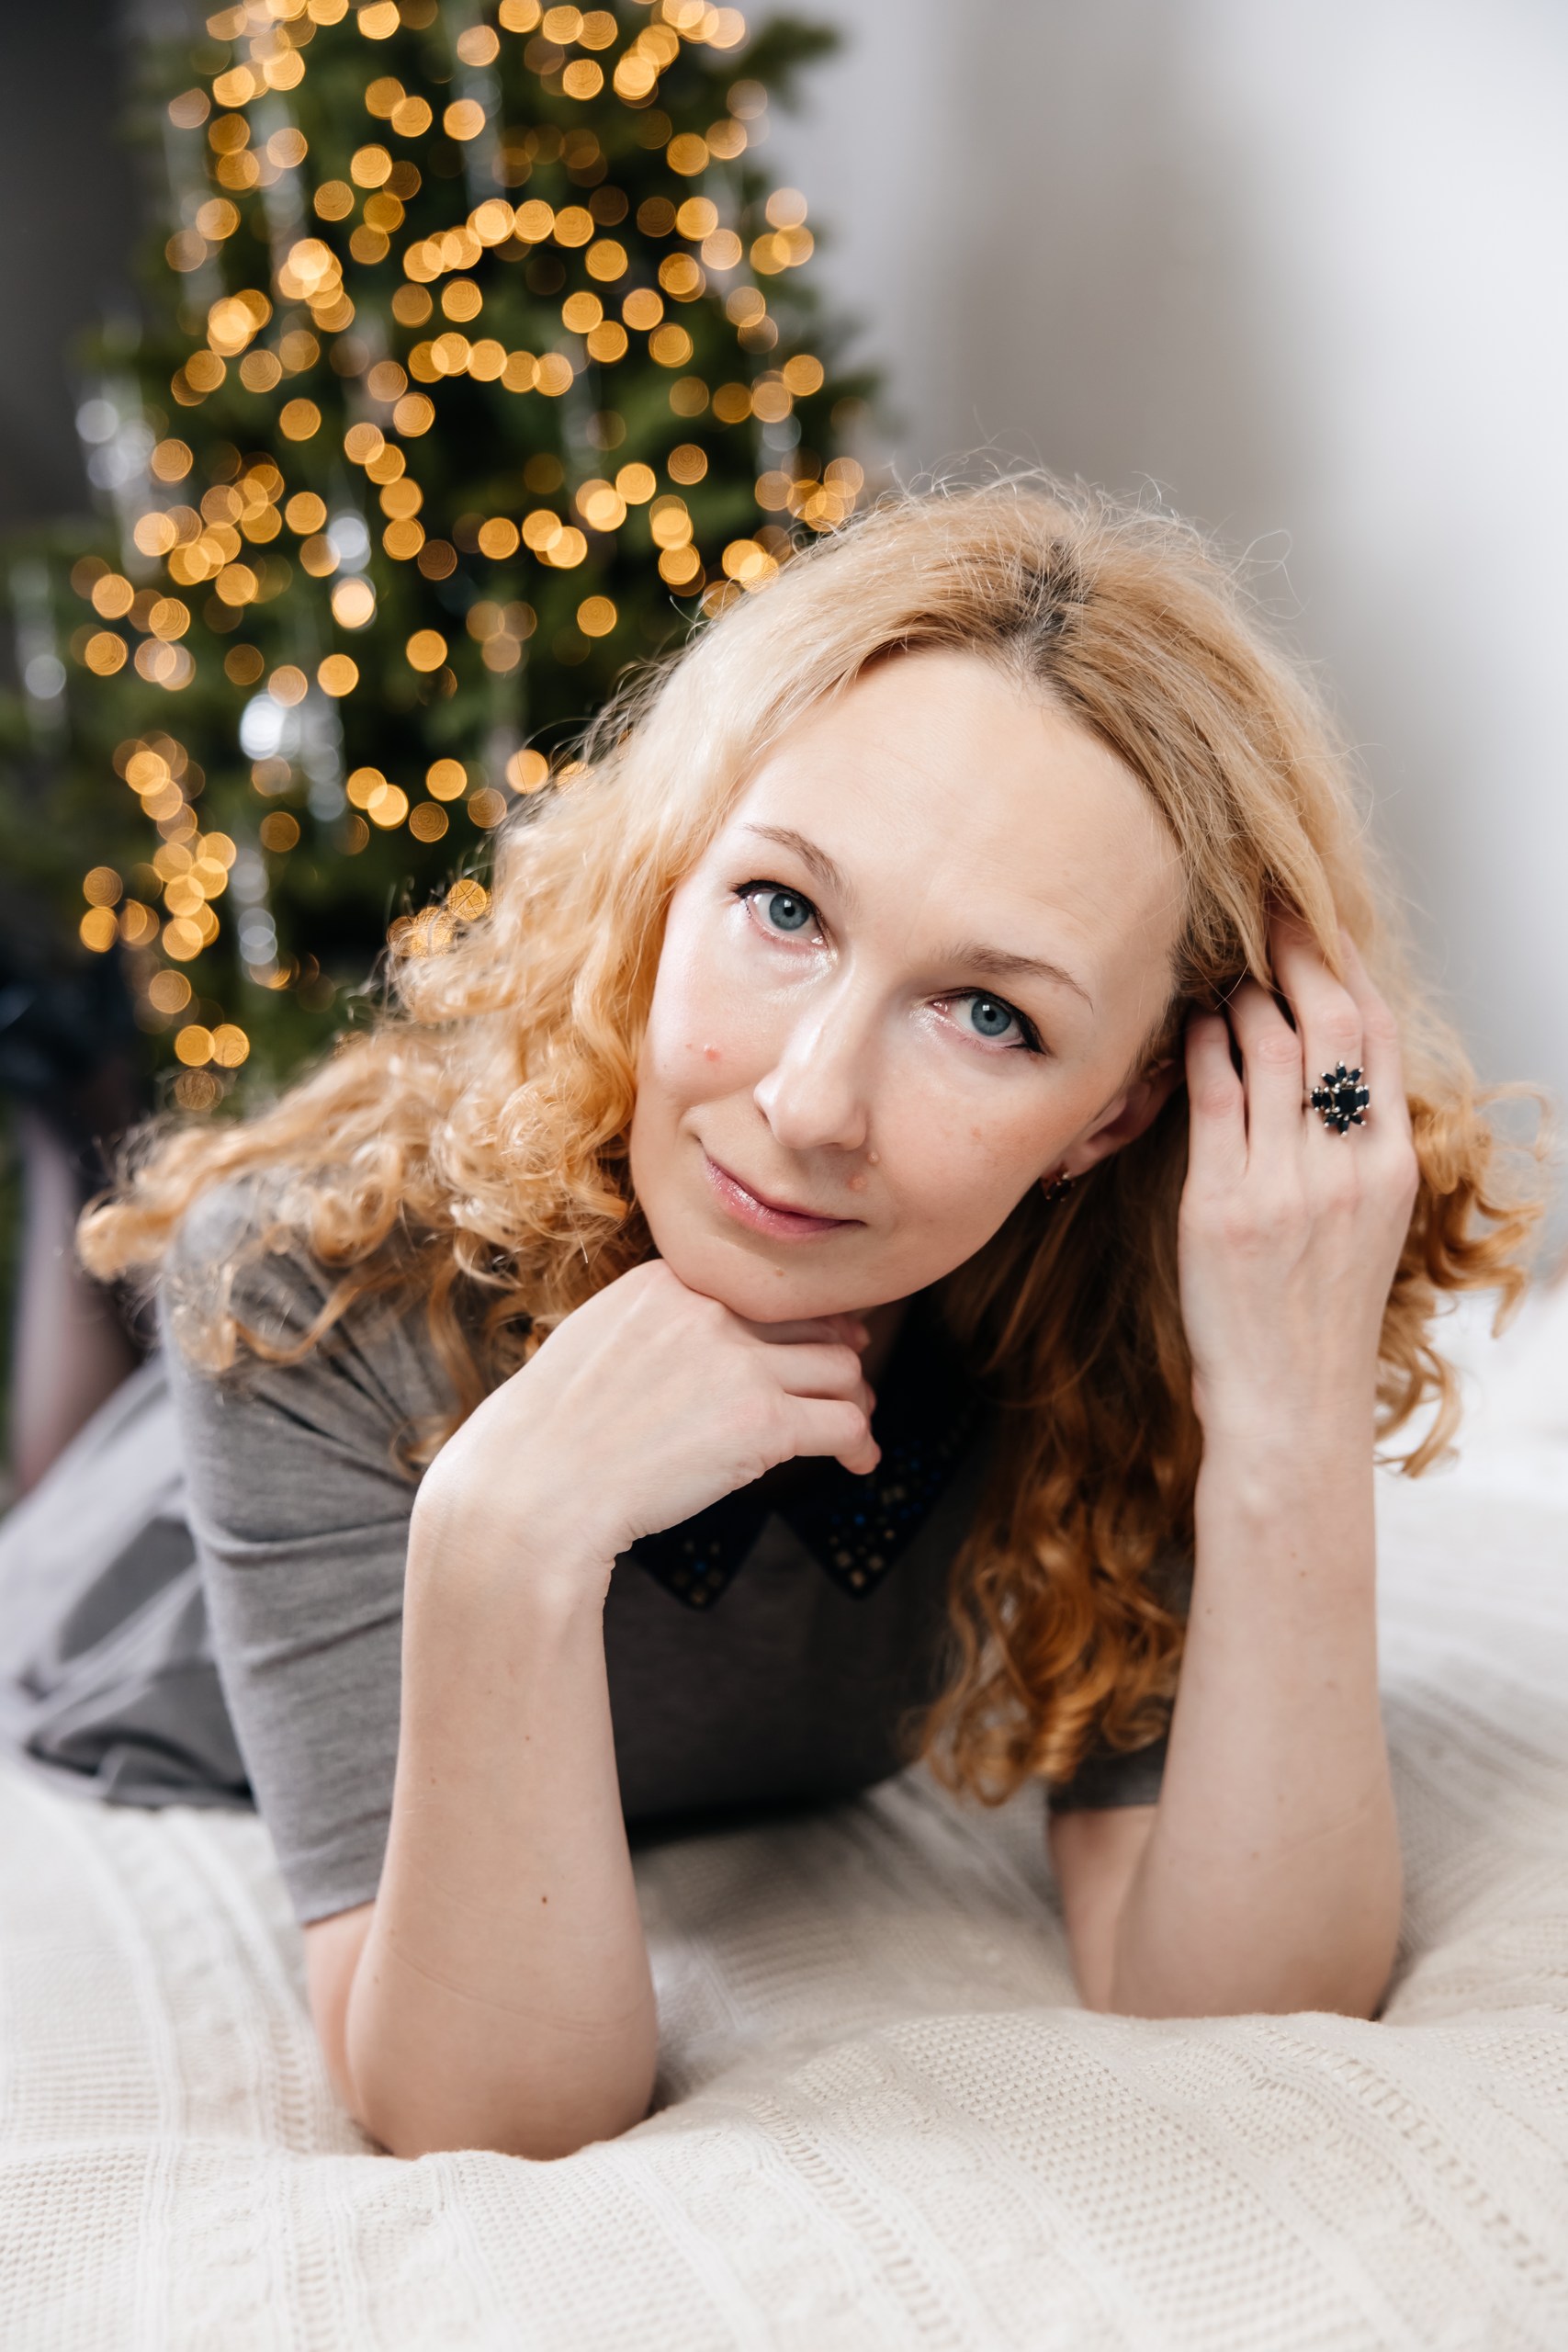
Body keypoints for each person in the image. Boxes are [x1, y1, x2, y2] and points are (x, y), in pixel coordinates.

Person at [0, 477, 1538, 2165]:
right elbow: (481, 2112)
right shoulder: (314, 1287)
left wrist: (1288, 1407)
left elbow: (1242, 1996)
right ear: (672, 876)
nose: (809, 1105)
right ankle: (72, 1115)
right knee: (56, 1480)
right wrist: (504, 1540)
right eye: (784, 909)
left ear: (1117, 1112)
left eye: (989, 1014)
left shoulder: (1135, 1316)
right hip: (129, 1619)